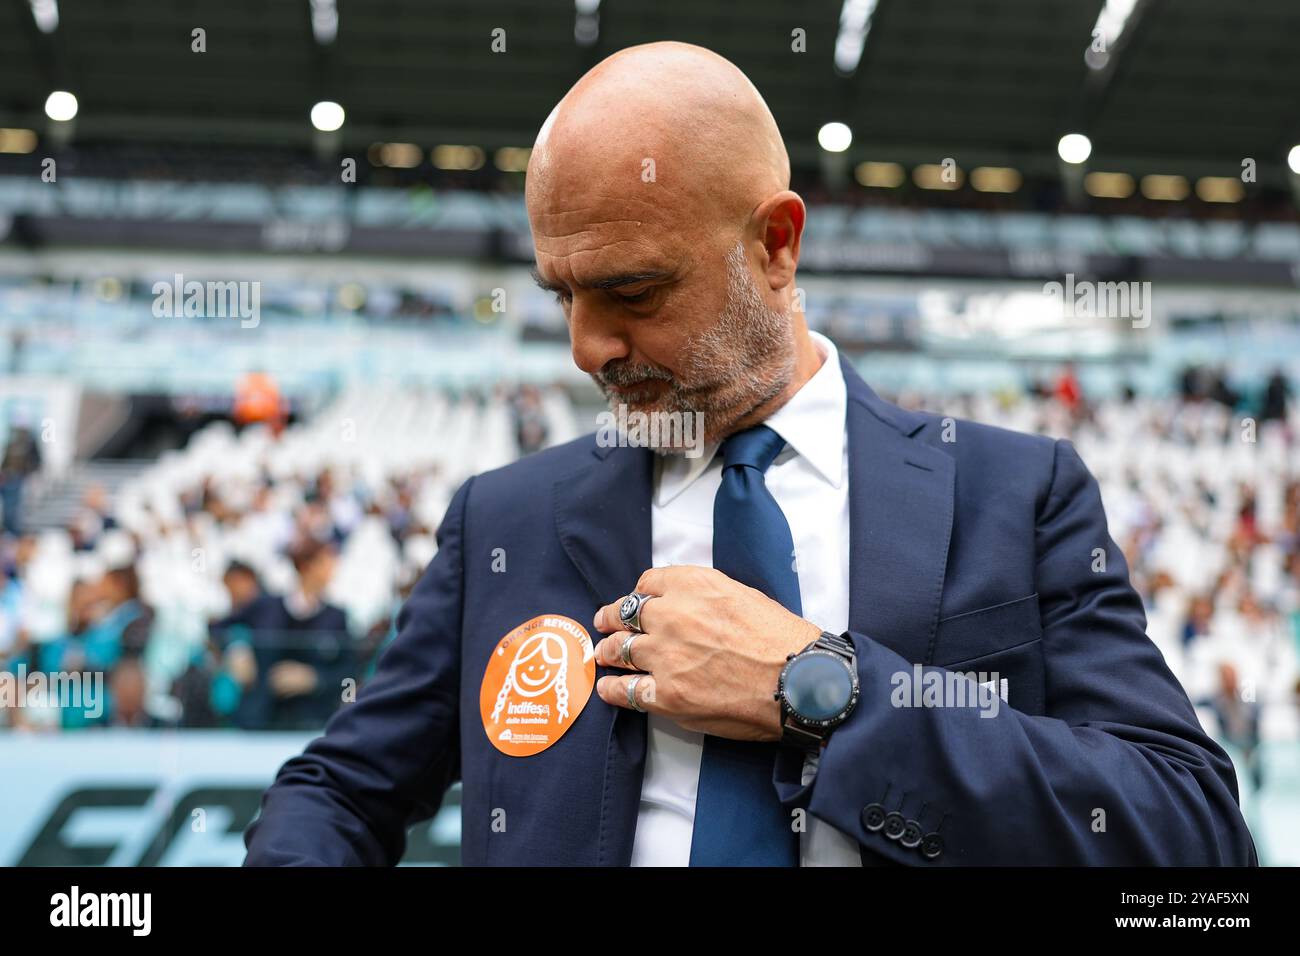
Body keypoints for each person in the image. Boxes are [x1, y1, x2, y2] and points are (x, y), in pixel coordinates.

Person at [245, 42, 1255, 867]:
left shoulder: (1013, 493)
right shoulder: (505, 520)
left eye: (632, 291)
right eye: (563, 294)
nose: (584, 346)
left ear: (775, 244)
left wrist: (817, 688)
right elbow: (337, 789)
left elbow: (1188, 832)